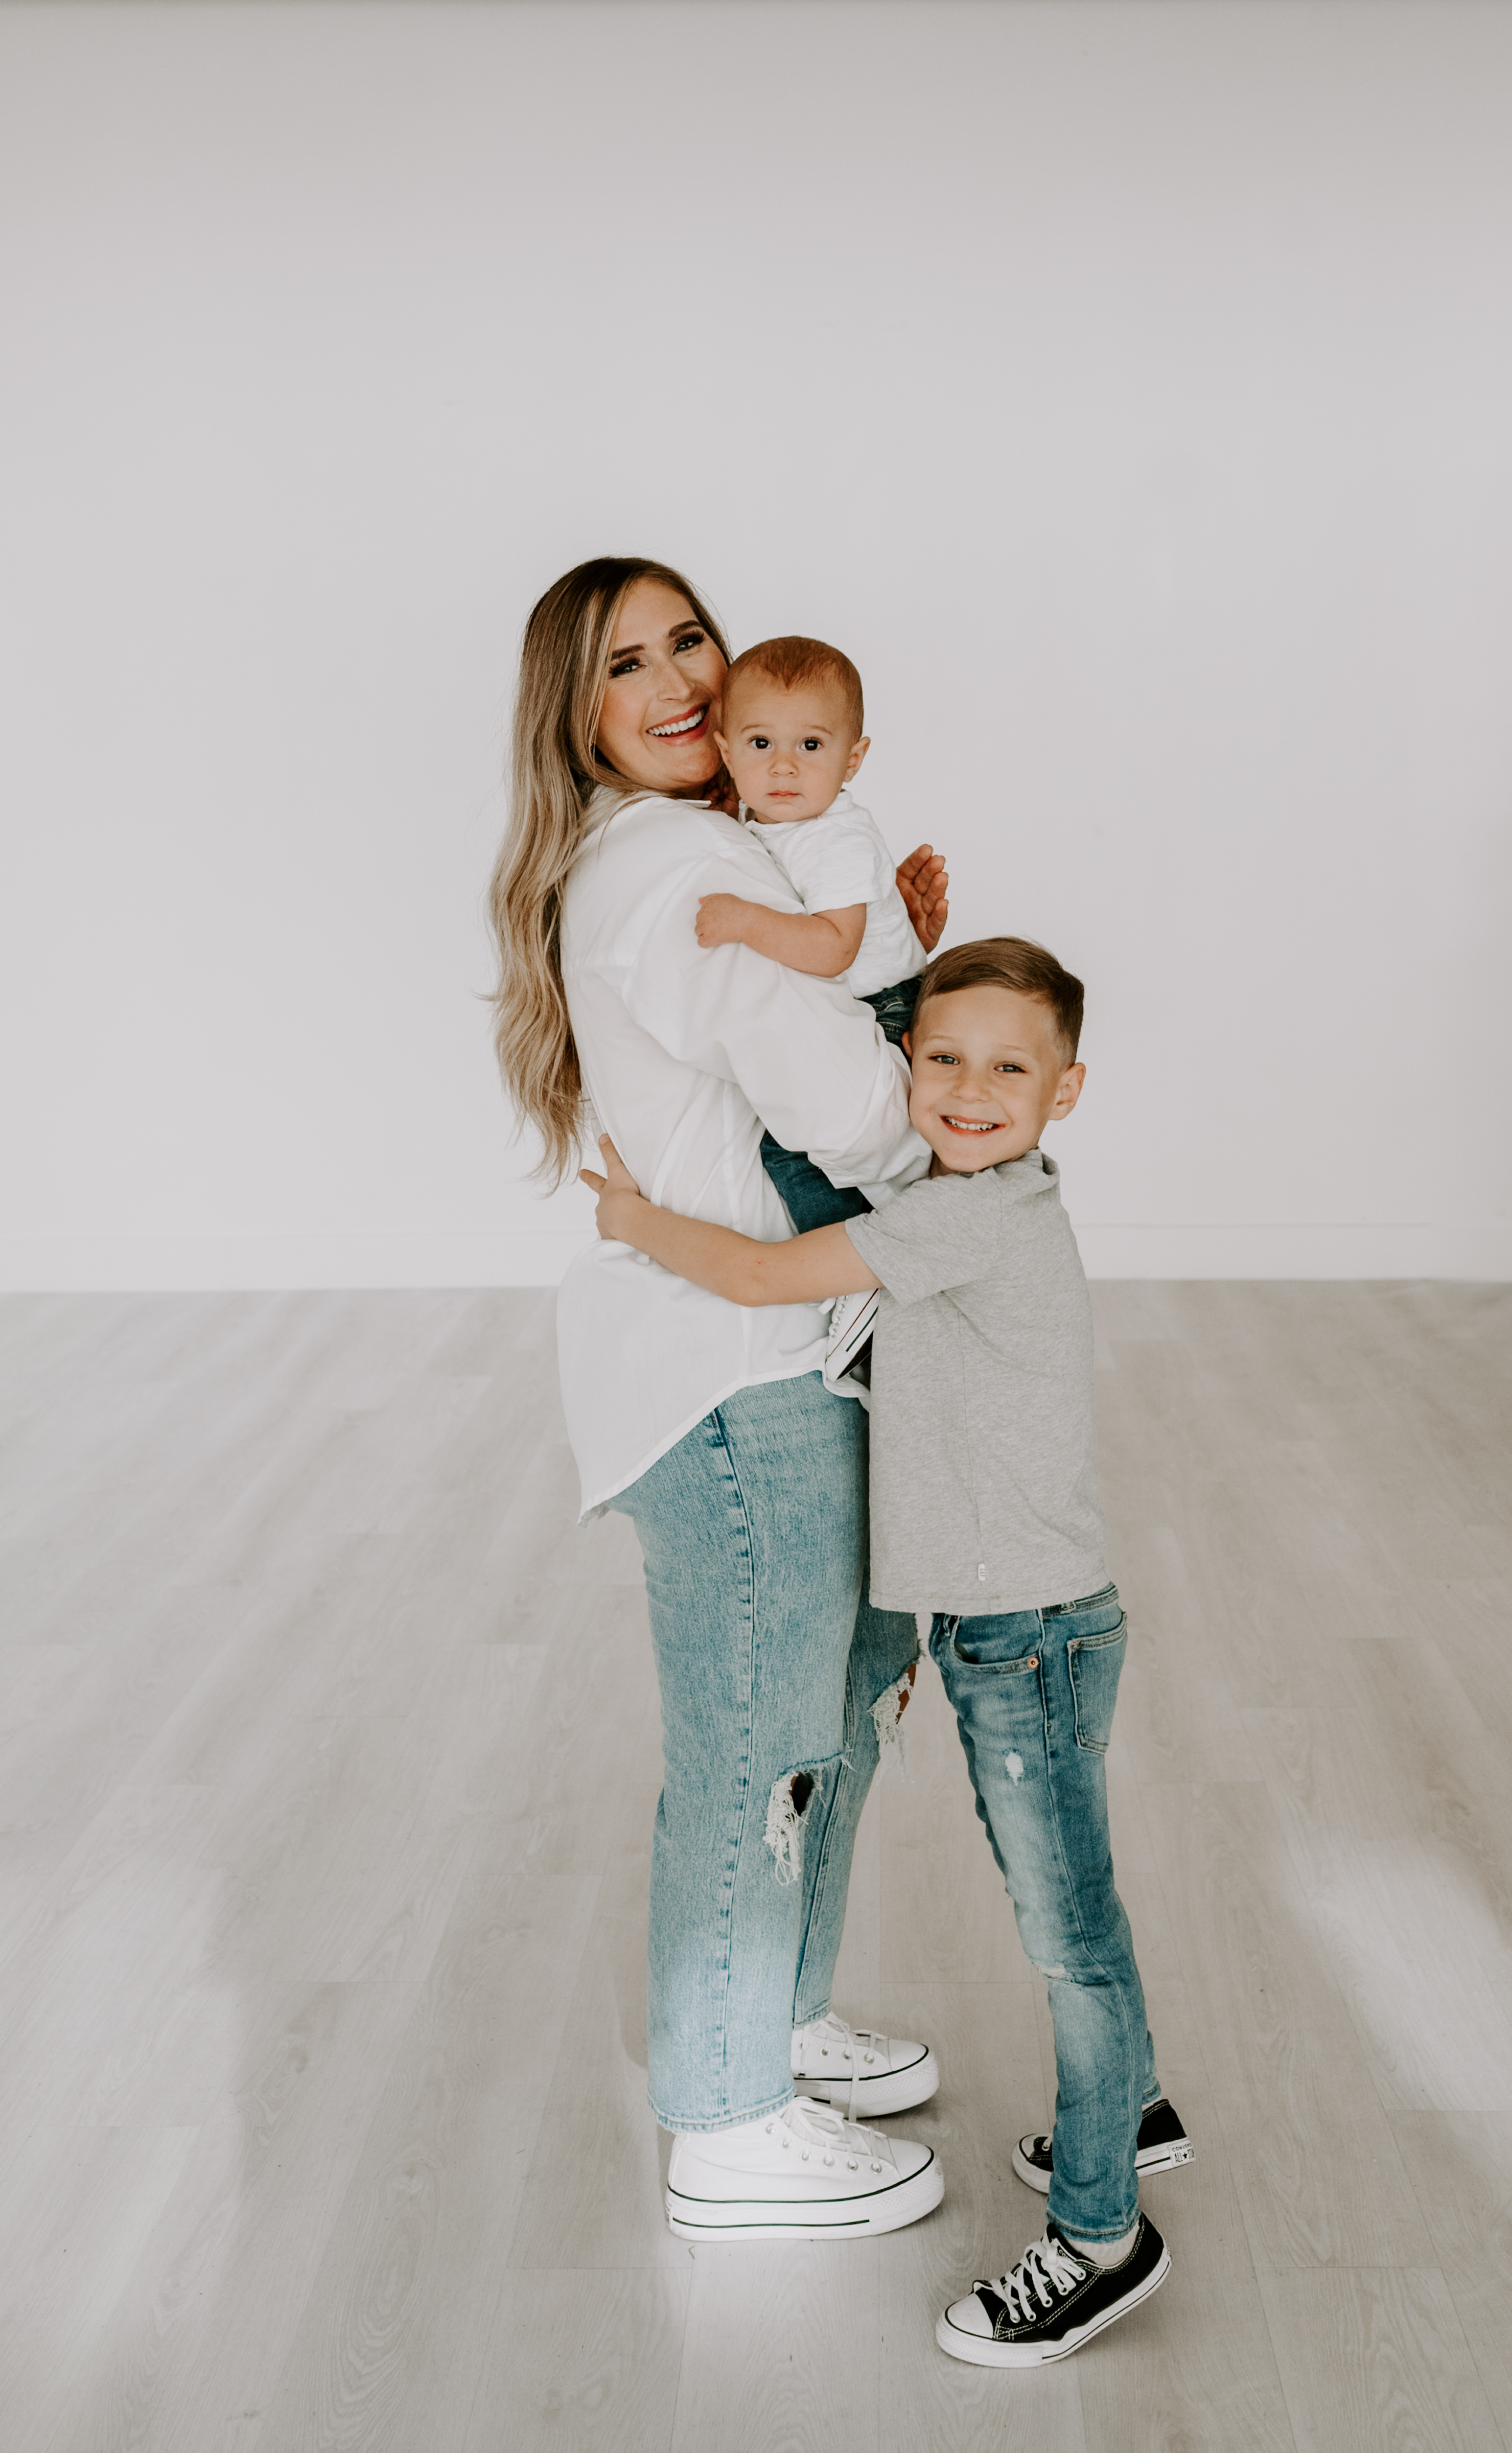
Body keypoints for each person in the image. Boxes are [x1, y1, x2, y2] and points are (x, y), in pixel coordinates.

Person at [581, 936, 1192, 2366]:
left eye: (1008, 1068)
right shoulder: (965, 1193)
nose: (969, 1089)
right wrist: (887, 952)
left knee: (1069, 1934)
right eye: (941, 1058)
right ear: (904, 1062)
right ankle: (1131, 2107)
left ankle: (1102, 2234)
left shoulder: (964, 1218)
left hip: (1027, 1640)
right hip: (1006, 1625)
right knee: (1067, 1902)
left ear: (1065, 1090)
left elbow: (756, 1272)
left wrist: (630, 1217)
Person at [487, 557, 952, 2245]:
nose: (681, 679)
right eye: (629, 663)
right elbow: (852, 1110)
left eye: (689, 638)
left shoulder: (710, 845)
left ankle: (779, 2019)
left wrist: (891, 955)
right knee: (759, 1739)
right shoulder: (677, 864)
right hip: (736, 1376)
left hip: (789, 1347)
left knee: (835, 1706)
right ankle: (729, 2119)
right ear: (576, 715)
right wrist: (968, 1091)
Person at [695, 632, 926, 1237]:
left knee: (794, 1148)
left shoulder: (835, 840)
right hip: (869, 997)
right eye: (761, 743)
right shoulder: (775, 818)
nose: (784, 766)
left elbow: (833, 948)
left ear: (853, 759)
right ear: (727, 752)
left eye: (811, 745)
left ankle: (849, 1271)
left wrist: (745, 920)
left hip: (887, 1008)